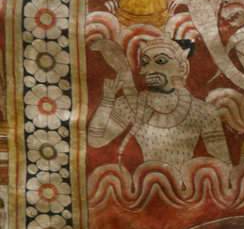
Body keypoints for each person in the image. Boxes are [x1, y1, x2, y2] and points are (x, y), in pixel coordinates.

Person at [88, 37, 228, 168]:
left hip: (188, 188)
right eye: (145, 62)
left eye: (160, 61)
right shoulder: (130, 104)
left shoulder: (203, 111)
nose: (146, 70)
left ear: (183, 68)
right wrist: (107, 101)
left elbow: (224, 164)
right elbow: (96, 140)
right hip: (144, 183)